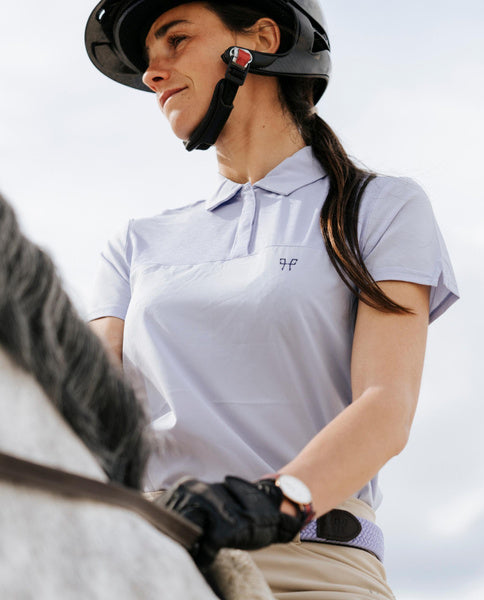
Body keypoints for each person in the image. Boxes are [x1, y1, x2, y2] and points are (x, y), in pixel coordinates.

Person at [85, 1, 459, 598]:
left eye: (175, 41)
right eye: (147, 63)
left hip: (310, 562)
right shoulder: (135, 243)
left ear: (261, 38)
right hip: (150, 563)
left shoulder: (380, 208)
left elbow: (387, 405)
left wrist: (276, 499)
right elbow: (91, 416)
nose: (153, 73)